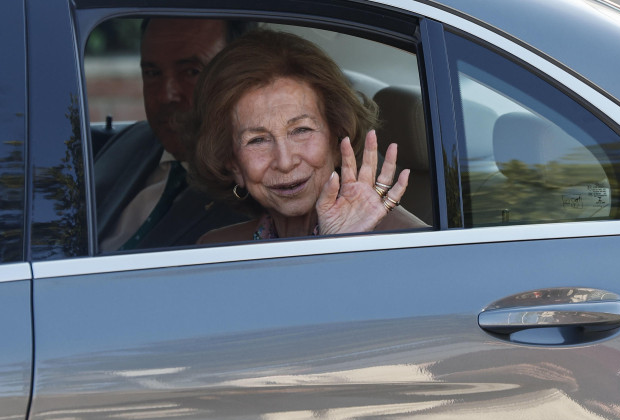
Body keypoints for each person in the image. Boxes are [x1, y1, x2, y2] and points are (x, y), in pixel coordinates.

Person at [186, 30, 428, 243]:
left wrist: (343, 248)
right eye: (257, 140)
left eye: (301, 130)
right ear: (233, 164)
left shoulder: (412, 247)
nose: (285, 161)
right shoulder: (217, 249)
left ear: (337, 139)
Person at [95, 18, 253, 252]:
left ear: (240, 77)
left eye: (191, 72)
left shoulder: (261, 190)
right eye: (152, 72)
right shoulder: (128, 141)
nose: (166, 95)